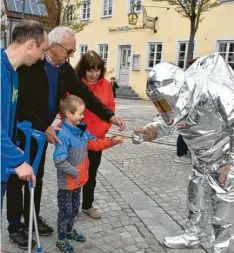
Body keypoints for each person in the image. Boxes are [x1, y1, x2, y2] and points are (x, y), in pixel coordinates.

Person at [6, 26, 125, 249]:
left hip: (41, 132)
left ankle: (33, 217)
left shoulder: (64, 68)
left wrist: (109, 115)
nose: (71, 56)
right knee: (17, 177)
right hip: (23, 129)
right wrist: (45, 127)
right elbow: (21, 104)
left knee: (37, 176)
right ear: (54, 46)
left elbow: (85, 94)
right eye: (68, 51)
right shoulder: (31, 64)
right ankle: (15, 226)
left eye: (72, 52)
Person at [132, 53, 234, 253]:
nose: (162, 108)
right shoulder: (176, 102)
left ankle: (223, 247)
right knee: (195, 196)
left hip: (224, 160)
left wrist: (231, 164)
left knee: (224, 208)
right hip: (200, 159)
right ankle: (194, 234)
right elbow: (166, 122)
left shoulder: (216, 91)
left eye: (163, 103)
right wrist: (147, 132)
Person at [54, 95, 124, 253]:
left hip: (78, 181)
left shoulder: (81, 130)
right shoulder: (63, 133)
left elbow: (94, 143)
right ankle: (61, 238)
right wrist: (76, 172)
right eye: (80, 113)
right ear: (69, 114)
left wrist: (111, 141)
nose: (83, 116)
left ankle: (70, 231)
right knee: (65, 211)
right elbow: (59, 160)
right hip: (68, 182)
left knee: (75, 209)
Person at [1, 20, 48, 213]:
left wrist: (13, 147)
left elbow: (8, 119)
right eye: (42, 50)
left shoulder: (13, 74)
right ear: (30, 44)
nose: (41, 57)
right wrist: (18, 161)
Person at [72, 51, 115, 219]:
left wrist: (103, 129)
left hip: (96, 139)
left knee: (91, 174)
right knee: (75, 173)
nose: (94, 74)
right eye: (90, 70)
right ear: (83, 70)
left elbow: (110, 108)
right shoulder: (76, 85)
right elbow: (66, 109)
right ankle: (72, 206)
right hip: (77, 138)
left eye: (97, 70)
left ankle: (87, 205)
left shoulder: (106, 85)